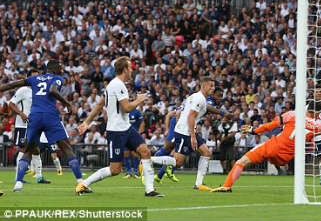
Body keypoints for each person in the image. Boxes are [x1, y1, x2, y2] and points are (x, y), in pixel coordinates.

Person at [212, 103, 321, 192]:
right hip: (287, 157)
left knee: (242, 161)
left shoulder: (291, 114)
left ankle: (226, 186)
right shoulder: (315, 125)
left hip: (273, 146)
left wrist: (254, 130)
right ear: (317, 113)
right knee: (282, 160)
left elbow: (271, 125)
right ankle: (282, 166)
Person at [76, 57, 175, 197]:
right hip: (116, 131)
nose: (132, 70)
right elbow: (127, 107)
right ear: (124, 69)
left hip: (126, 128)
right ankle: (84, 184)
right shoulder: (118, 85)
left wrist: (86, 122)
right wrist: (139, 100)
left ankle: (150, 190)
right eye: (130, 67)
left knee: (145, 151)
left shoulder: (113, 85)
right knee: (115, 169)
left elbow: (99, 105)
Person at [0, 60, 84, 192]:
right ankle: (81, 182)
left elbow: (14, 84)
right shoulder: (57, 78)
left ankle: (18, 184)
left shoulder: (34, 78)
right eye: (60, 67)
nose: (62, 69)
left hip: (35, 116)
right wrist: (67, 103)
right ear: (54, 68)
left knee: (28, 151)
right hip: (50, 116)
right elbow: (52, 90)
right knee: (67, 148)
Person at [172, 76, 217, 190]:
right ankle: (149, 160)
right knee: (178, 162)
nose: (213, 88)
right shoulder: (199, 98)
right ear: (204, 86)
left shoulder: (196, 96)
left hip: (188, 130)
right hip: (184, 132)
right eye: (211, 86)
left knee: (206, 153)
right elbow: (190, 116)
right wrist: (193, 136)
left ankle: (198, 184)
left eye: (214, 86)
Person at [9, 83, 51, 184]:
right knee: (23, 149)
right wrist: (21, 113)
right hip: (23, 125)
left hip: (34, 125)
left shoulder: (39, 92)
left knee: (36, 149)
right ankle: (18, 177)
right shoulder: (23, 90)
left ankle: (39, 177)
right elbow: (11, 104)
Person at [123, 108, 144, 179]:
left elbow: (142, 122)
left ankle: (136, 172)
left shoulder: (136, 111)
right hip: (124, 134)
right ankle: (128, 172)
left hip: (133, 135)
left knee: (134, 153)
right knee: (125, 153)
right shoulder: (123, 111)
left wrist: (139, 133)